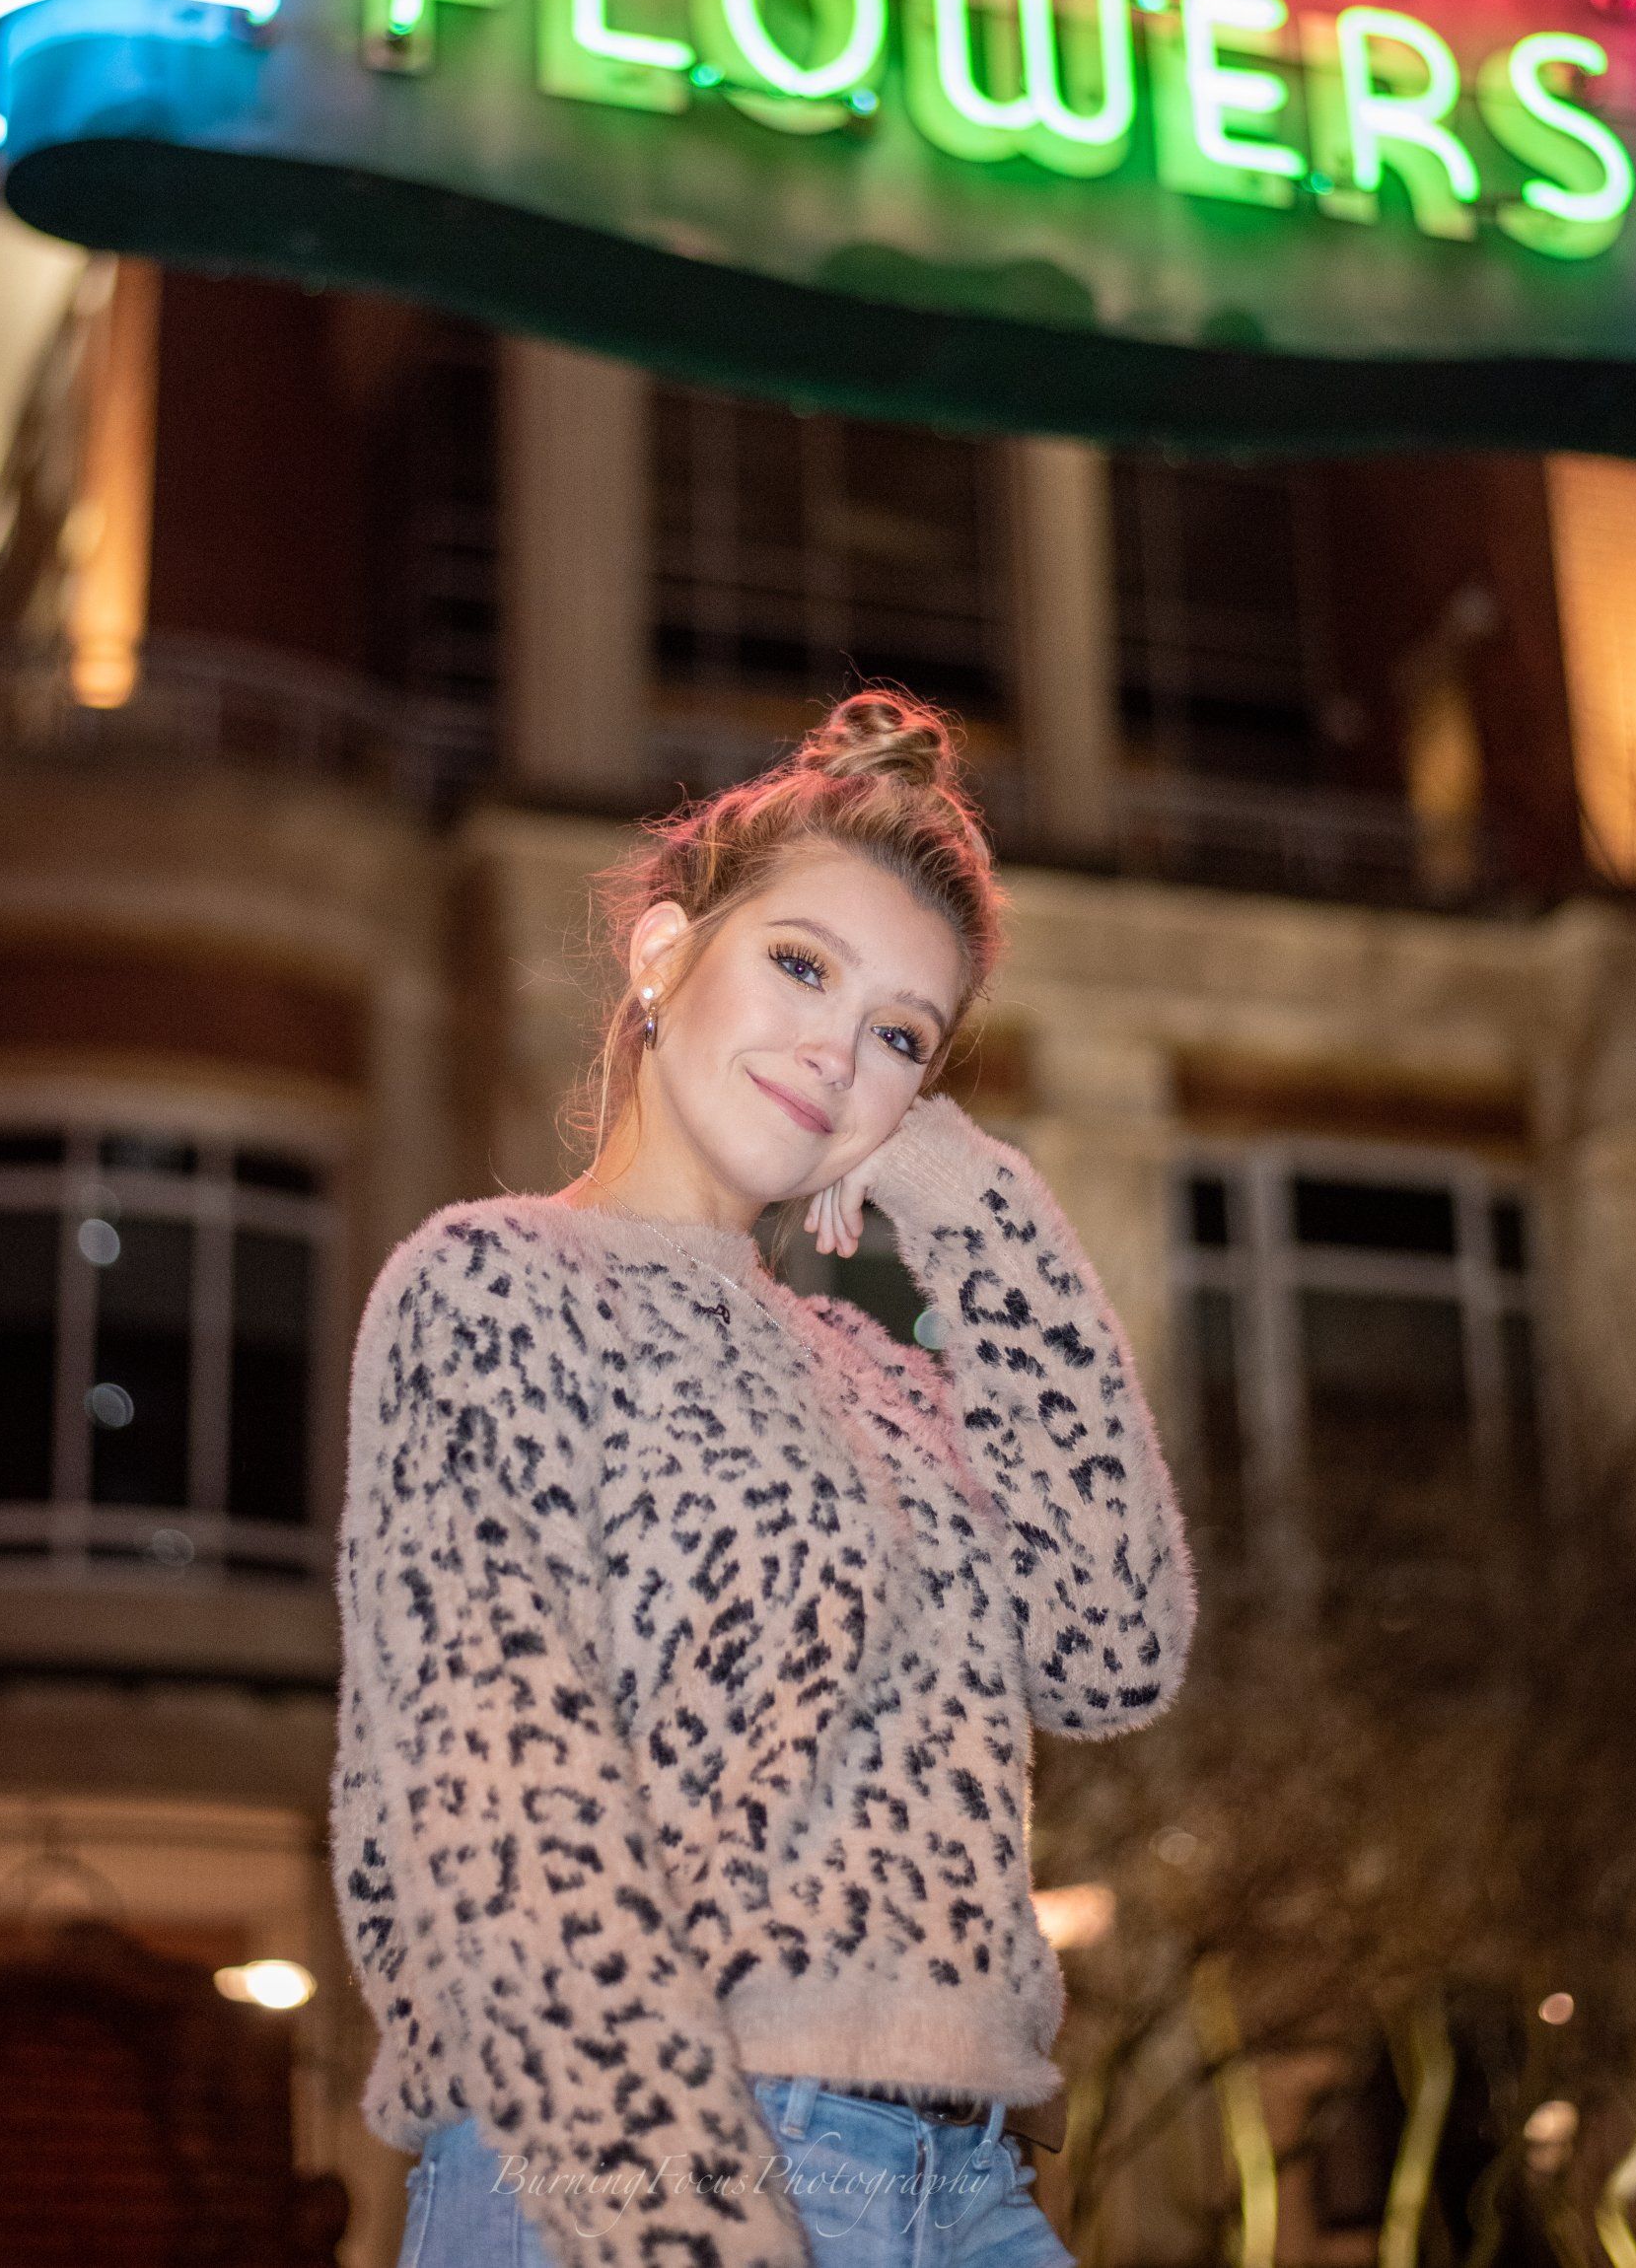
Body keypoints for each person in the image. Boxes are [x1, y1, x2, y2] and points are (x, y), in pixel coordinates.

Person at [331, 688, 1197, 2268]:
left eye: (901, 1037)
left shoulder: (885, 1381)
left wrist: (961, 1188)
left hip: (966, 2186)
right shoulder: (499, 1284)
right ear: (665, 955)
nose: (836, 1050)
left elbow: (1113, 1645)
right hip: (645, 2158)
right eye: (802, 966)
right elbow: (501, 1812)